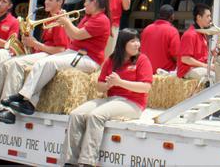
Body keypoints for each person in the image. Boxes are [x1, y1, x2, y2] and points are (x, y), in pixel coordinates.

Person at [0, 0, 70, 125]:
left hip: (52, 56)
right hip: (43, 53)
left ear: (60, 2)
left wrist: (36, 44)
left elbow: (61, 50)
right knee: (4, 65)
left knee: (15, 64)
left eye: (50, 0)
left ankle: (7, 110)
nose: (46, 2)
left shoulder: (60, 20)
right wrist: (29, 44)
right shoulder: (49, 19)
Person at [4, 0, 111, 117]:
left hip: (87, 58)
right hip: (75, 53)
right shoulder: (89, 17)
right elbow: (72, 36)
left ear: (95, 3)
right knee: (42, 62)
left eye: (86, 1)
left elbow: (77, 34)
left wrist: (66, 21)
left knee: (50, 63)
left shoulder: (102, 20)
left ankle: (25, 98)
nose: (84, 4)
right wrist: (63, 23)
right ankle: (26, 99)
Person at [61, 29, 152, 166]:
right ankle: (70, 161)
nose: (137, 44)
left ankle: (87, 161)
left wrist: (120, 82)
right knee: (76, 114)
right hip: (112, 99)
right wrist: (108, 85)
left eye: (138, 40)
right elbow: (99, 86)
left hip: (133, 103)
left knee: (95, 115)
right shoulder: (112, 59)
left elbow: (145, 87)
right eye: (132, 41)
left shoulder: (142, 60)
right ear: (123, 43)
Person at [177, 3, 215, 81]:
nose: (210, 19)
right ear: (199, 17)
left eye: (210, 16)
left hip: (198, 67)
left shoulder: (202, 33)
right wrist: (206, 66)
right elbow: (185, 59)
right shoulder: (190, 34)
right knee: (214, 77)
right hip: (187, 70)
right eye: (207, 16)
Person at [140, 4, 180, 73]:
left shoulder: (147, 29)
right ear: (172, 16)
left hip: (146, 71)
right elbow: (176, 55)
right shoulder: (172, 30)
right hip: (164, 74)